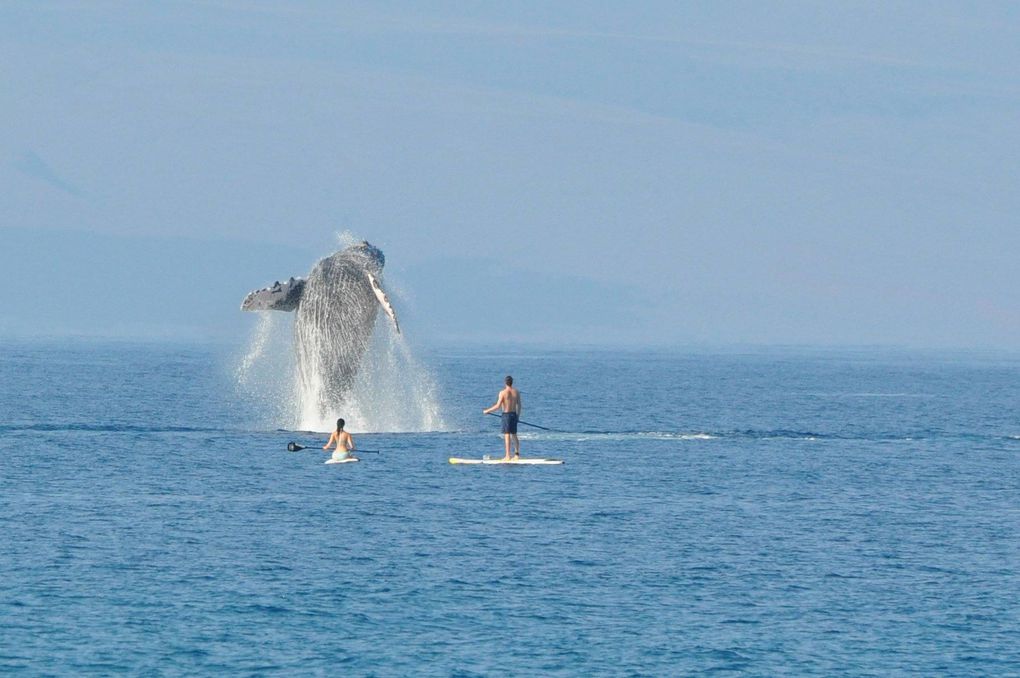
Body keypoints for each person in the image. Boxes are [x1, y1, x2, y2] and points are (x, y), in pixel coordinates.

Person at [483, 375, 522, 460]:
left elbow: (497, 406)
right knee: (514, 435)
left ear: (505, 383)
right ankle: (517, 455)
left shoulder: (503, 393)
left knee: (507, 435)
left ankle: (507, 456)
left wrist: (487, 411)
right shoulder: (517, 392)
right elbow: (519, 405)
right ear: (512, 382)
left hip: (506, 415)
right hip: (514, 415)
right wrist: (518, 416)